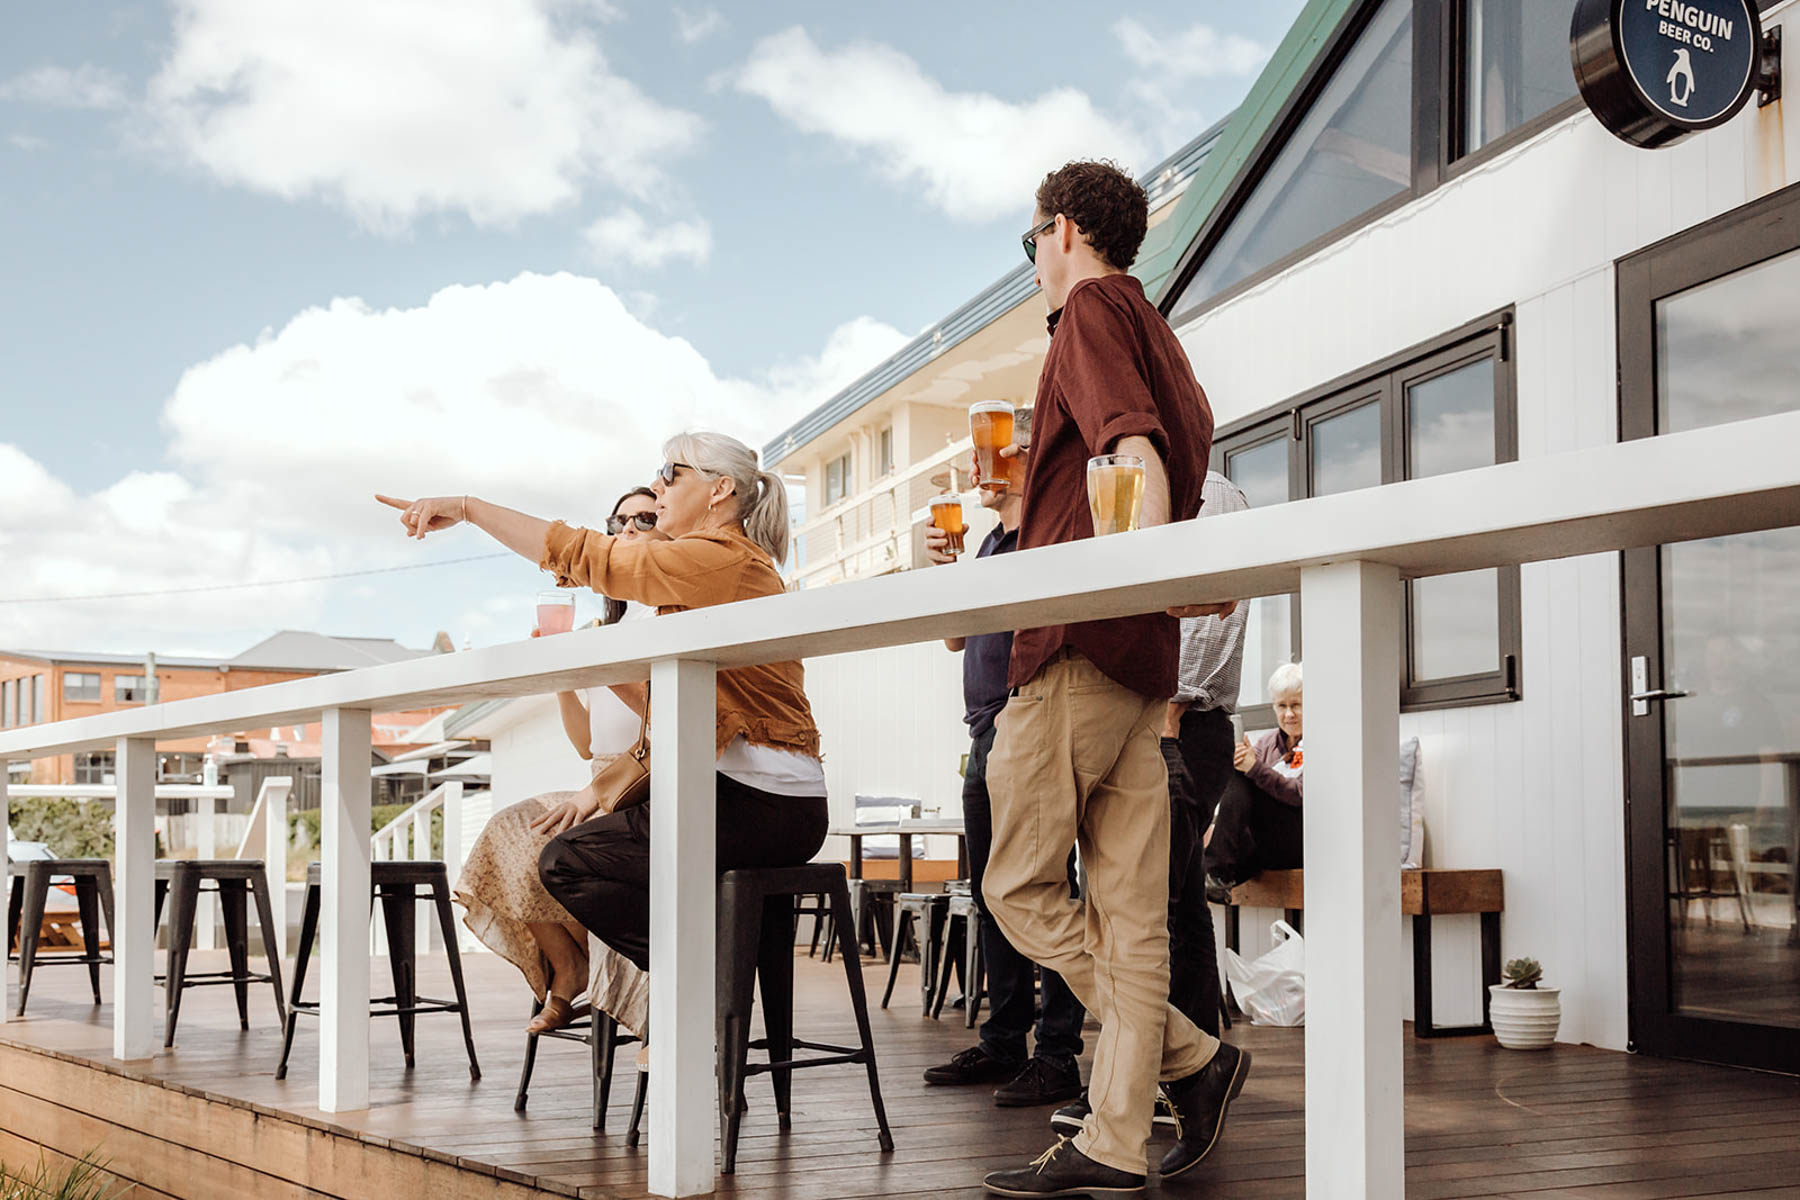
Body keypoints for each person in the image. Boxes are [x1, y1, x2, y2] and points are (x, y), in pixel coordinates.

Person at [979, 161, 1247, 1199]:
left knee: (1017, 884)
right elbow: (1155, 459)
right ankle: (1115, 1139)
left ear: (1066, 232)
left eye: (1029, 241)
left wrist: (1118, 579)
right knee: (1134, 918)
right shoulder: (1161, 335)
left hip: (1082, 646)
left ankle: (1190, 1055)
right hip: (1142, 664)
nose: (1033, 263)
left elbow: (1127, 449)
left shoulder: (1089, 309)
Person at [376, 431, 829, 1024]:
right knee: (561, 854)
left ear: (720, 490)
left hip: (761, 803)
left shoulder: (722, 559)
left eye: (672, 472)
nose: (660, 484)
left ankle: (699, 991)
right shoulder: (703, 574)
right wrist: (603, 783)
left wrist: (468, 507)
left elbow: (592, 557)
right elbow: (683, 718)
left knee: (568, 862)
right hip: (747, 798)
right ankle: (701, 990)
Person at [449, 486, 665, 1036]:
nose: (630, 528)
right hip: (601, 777)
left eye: (645, 516)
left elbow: (662, 717)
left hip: (645, 781)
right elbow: (585, 745)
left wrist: (598, 666)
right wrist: (564, 675)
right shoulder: (612, 627)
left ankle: (621, 995)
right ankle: (569, 967)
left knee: (552, 843)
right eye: (619, 522)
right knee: (510, 832)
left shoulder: (671, 608)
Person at [918, 453, 1087, 1109]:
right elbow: (956, 639)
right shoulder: (989, 542)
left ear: (1027, 458)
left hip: (1029, 722)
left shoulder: (1044, 534)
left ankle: (1057, 1055)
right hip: (984, 731)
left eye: (995, 452)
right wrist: (948, 573)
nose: (977, 464)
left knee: (1041, 888)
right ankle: (1003, 1040)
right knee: (992, 893)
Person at [1164, 471, 1250, 1035]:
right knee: (1177, 896)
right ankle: (1193, 1061)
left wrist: (1170, 707)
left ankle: (1185, 1061)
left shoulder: (1207, 491)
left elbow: (1214, 619)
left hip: (1184, 723)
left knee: (1162, 901)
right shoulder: (1148, 486)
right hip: (1171, 723)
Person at [1206, 663, 1304, 895]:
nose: (1288, 714)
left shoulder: (1322, 741)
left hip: (1300, 840)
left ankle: (1215, 870)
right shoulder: (1268, 742)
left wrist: (1255, 768)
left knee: (1246, 775)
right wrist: (1241, 761)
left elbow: (1301, 795)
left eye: (1296, 705)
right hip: (1263, 844)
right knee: (1238, 772)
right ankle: (1214, 876)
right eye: (1282, 706)